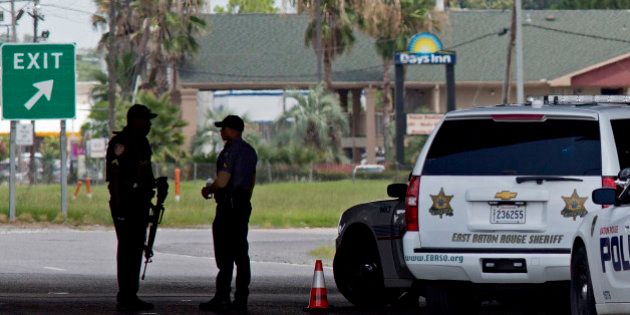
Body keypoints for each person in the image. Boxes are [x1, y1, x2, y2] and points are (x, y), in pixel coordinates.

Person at [200, 115, 258, 312]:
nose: (221, 132)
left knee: (225, 253)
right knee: (241, 253)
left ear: (233, 130)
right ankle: (241, 298)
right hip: (242, 204)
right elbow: (251, 181)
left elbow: (223, 181)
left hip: (228, 206)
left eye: (223, 128)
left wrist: (209, 189)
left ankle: (222, 296)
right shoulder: (250, 151)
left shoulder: (230, 151)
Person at [106, 104, 157, 311]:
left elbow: (146, 172)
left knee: (136, 247)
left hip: (141, 201)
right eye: (146, 120)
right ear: (136, 120)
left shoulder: (142, 142)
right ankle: (125, 293)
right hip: (125, 202)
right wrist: (119, 206)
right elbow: (115, 177)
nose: (149, 125)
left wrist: (153, 188)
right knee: (127, 248)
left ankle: (131, 293)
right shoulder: (121, 142)